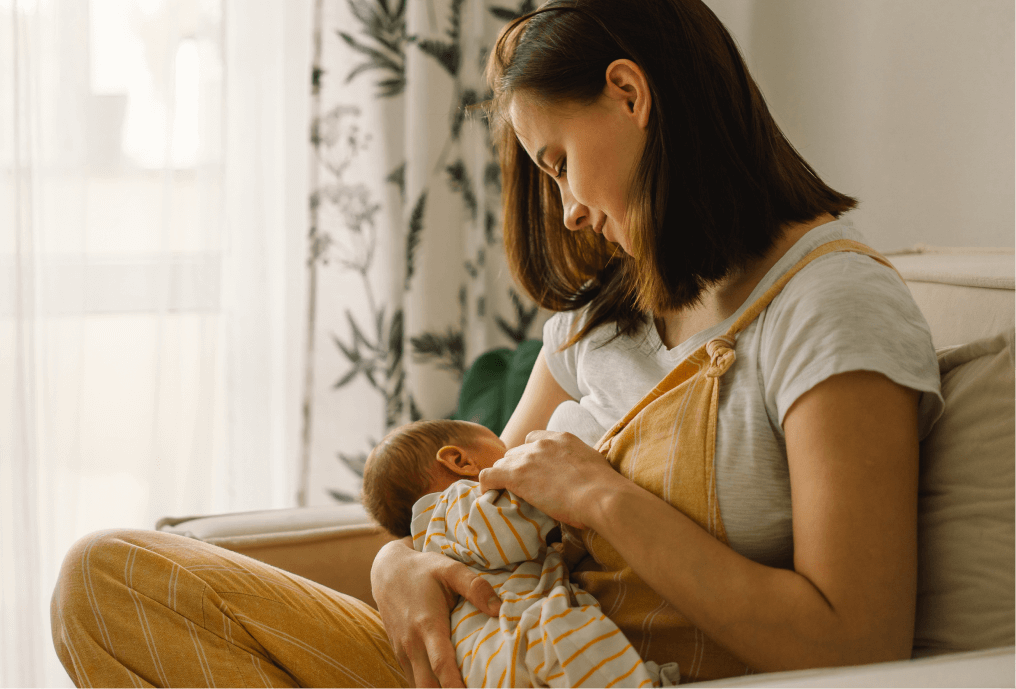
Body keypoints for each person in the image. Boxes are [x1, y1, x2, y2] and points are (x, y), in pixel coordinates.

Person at [50, 1, 943, 687]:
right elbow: (483, 513)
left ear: (629, 95)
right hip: (497, 656)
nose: (569, 212)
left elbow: (857, 638)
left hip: (614, 669)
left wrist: (606, 498)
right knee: (107, 581)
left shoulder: (832, 305)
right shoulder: (601, 318)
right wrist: (400, 559)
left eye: (557, 162)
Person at [361, 419, 681, 687]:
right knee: (573, 642)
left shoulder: (435, 537)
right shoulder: (455, 503)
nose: (514, 456)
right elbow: (505, 529)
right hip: (515, 631)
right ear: (460, 461)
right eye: (506, 450)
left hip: (486, 657)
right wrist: (555, 486)